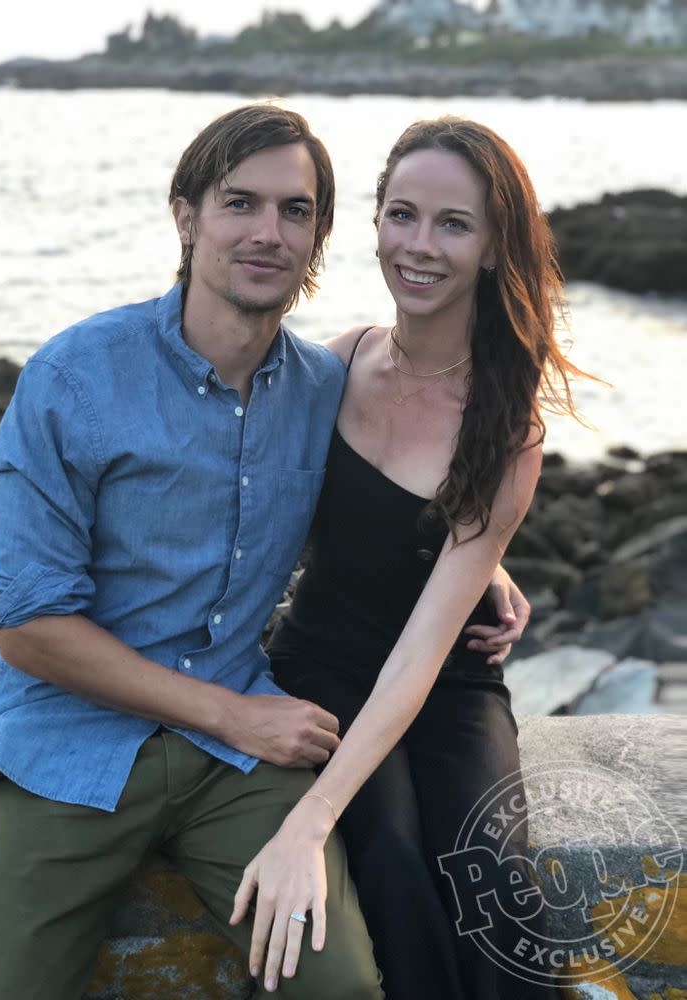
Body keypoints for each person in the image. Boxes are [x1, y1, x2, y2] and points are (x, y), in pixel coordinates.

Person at [0, 105, 526, 1000]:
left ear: (320, 236)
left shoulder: (319, 386)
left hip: (237, 772)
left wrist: (485, 555)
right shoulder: (73, 378)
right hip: (67, 748)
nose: (268, 233)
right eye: (240, 203)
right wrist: (229, 715)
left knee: (341, 988)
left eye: (295, 211)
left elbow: (406, 478)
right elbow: (29, 630)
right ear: (185, 217)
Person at [231, 117, 588, 998]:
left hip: (447, 682)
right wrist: (474, 555)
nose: (418, 246)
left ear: (495, 243)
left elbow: (421, 657)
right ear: (377, 222)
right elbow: (247, 480)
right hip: (321, 665)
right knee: (386, 854)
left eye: (452, 224)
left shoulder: (508, 428)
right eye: (402, 215)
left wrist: (480, 553)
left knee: (492, 872)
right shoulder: (339, 361)